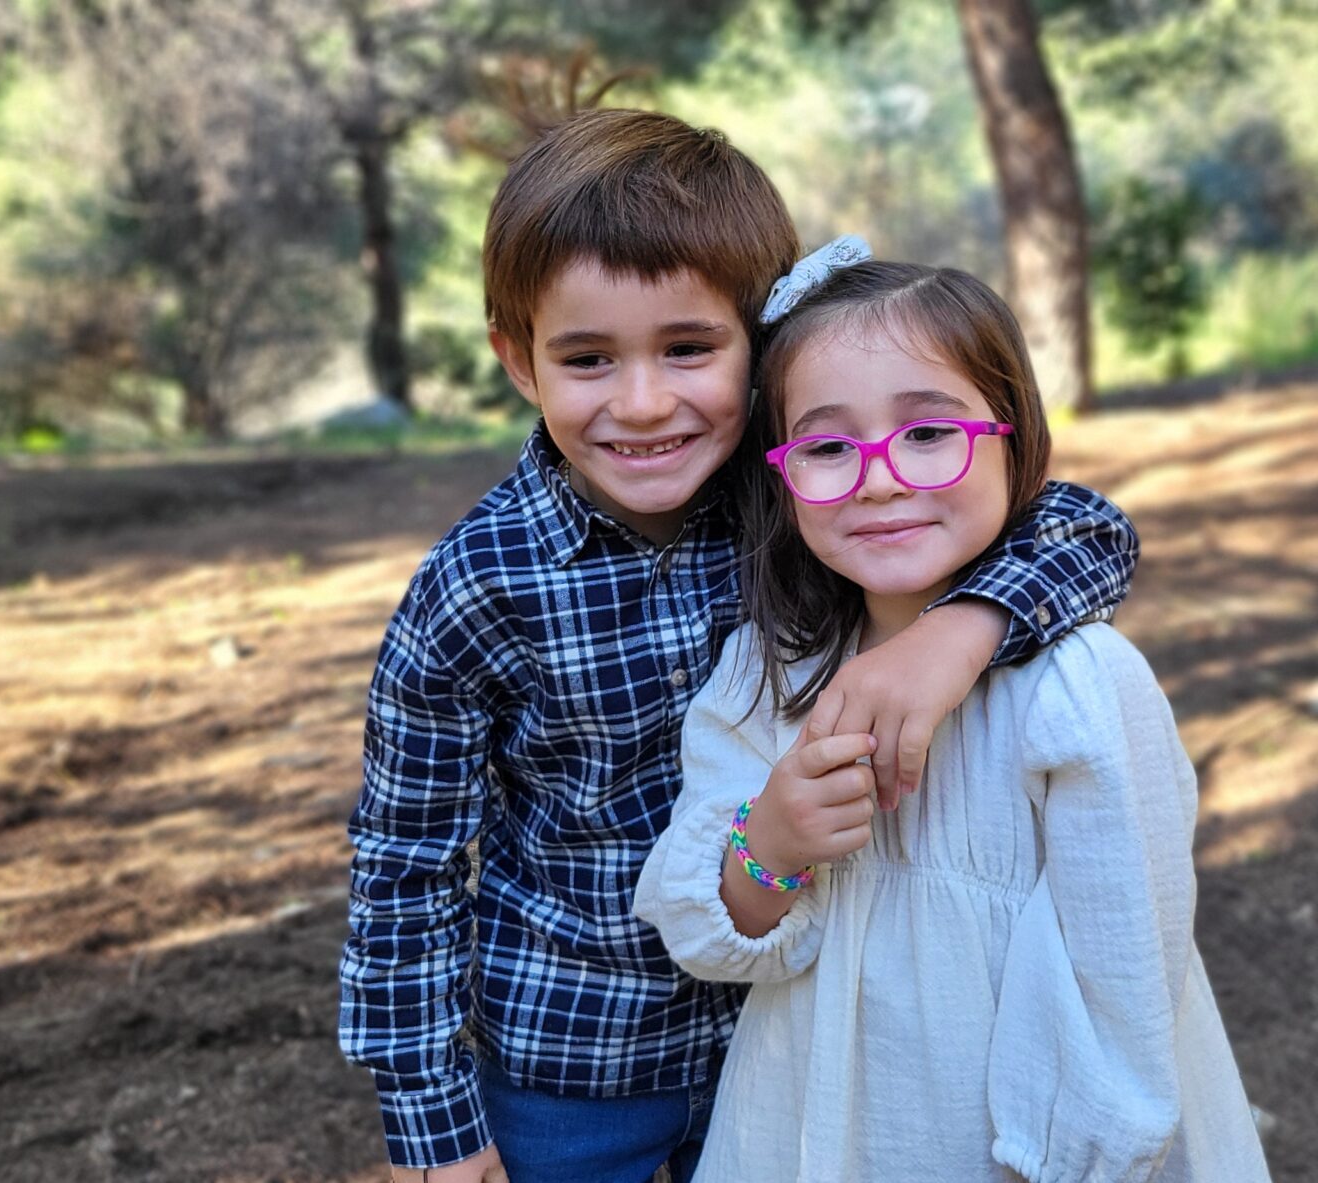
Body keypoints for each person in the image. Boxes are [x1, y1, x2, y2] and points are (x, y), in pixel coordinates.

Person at [339, 111, 1142, 1183]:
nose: (643, 404)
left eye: (688, 349)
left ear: (761, 343)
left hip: (791, 1032)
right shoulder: (476, 586)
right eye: (587, 359)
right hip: (575, 1063)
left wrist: (960, 630)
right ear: (519, 360)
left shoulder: (808, 488)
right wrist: (432, 1123)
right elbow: (405, 868)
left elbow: (1084, 526)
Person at [634, 255, 1269, 1182]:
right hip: (803, 1128)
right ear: (781, 477)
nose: (879, 479)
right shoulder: (763, 676)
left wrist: (1071, 1160)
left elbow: (1121, 979)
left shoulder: (1078, 686)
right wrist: (770, 840)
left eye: (930, 432)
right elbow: (711, 939)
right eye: (826, 447)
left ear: (1017, 440)